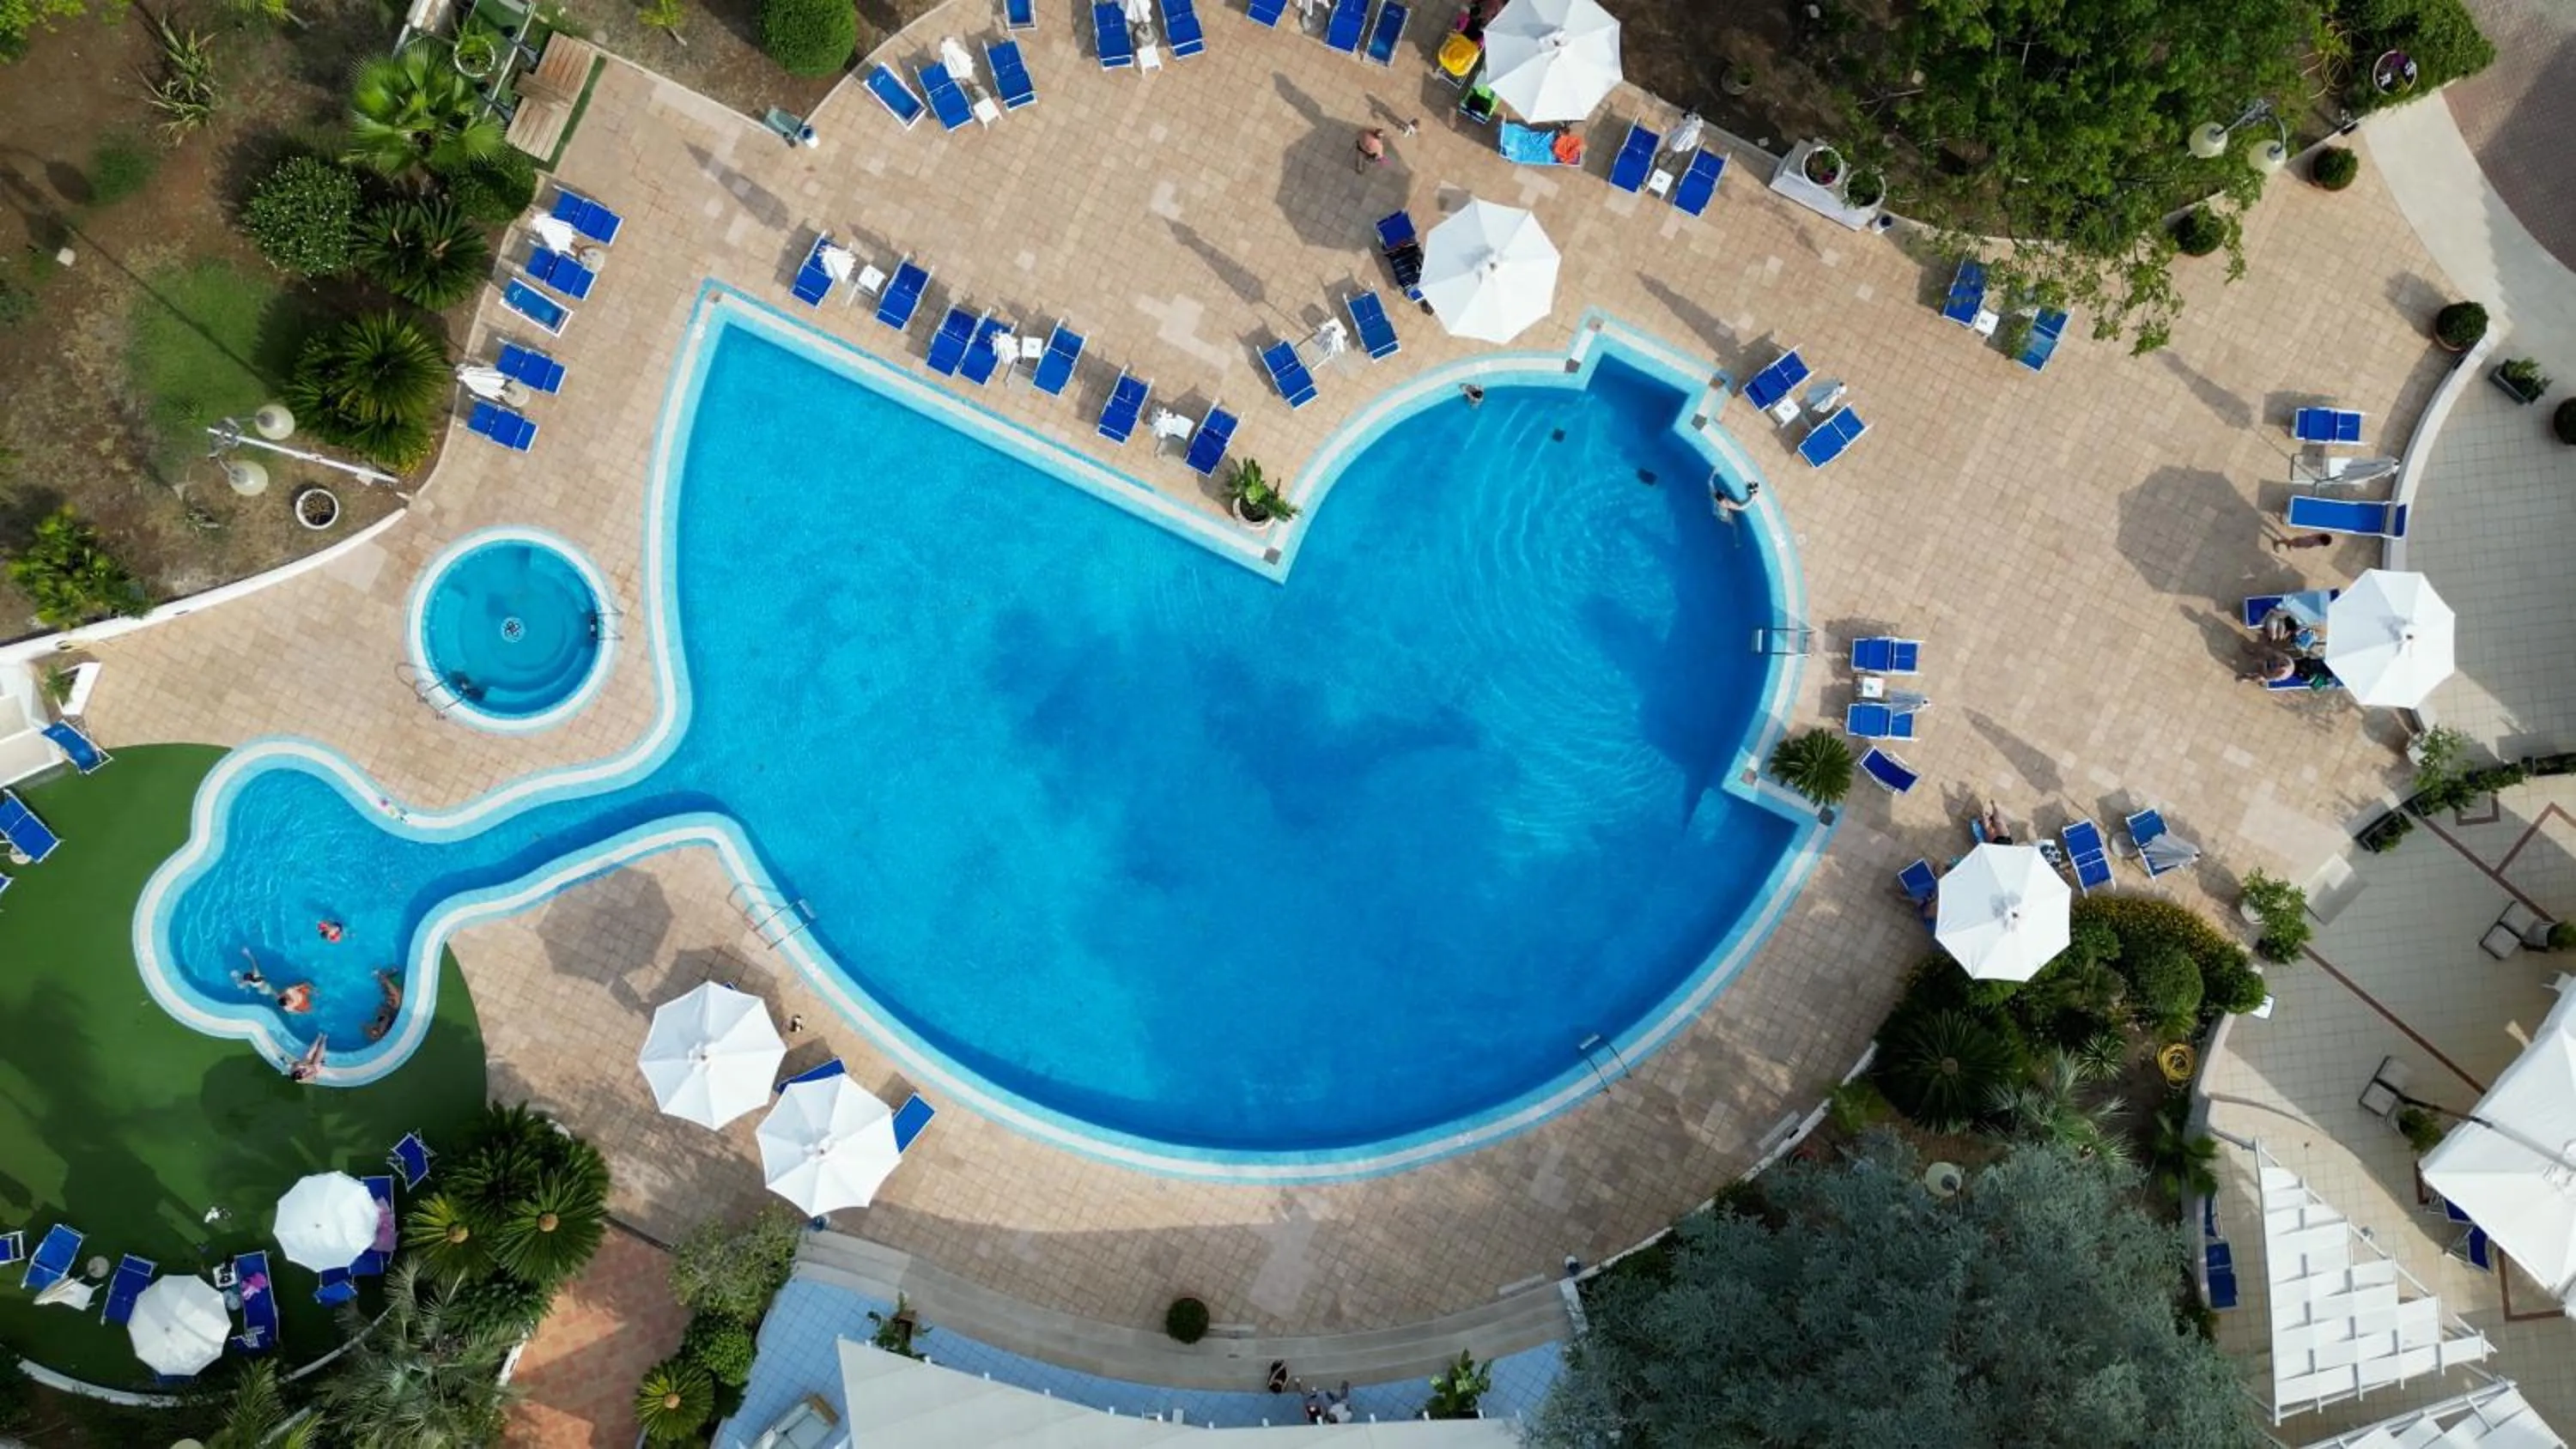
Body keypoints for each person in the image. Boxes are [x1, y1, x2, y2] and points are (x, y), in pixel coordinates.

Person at [365, 969, 403, 1042]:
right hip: (394, 984)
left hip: (395, 983)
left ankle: (388, 974)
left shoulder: (395, 1000)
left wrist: (379, 974)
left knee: (383, 1013)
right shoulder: (392, 1004)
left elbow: (392, 989)